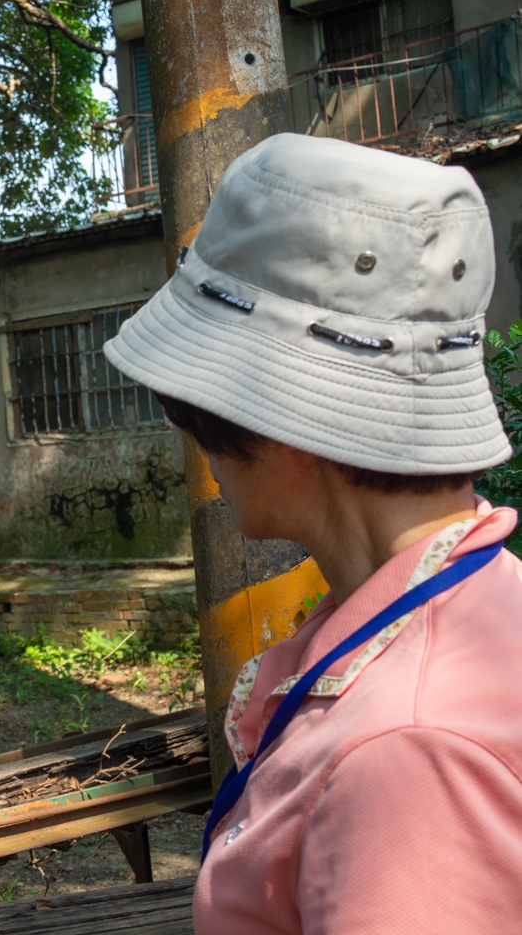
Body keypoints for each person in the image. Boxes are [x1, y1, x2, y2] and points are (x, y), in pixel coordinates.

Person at [102, 132, 522, 932]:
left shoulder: (407, 753)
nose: (198, 448)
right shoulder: (464, 611)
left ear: (278, 413)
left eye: (200, 408)